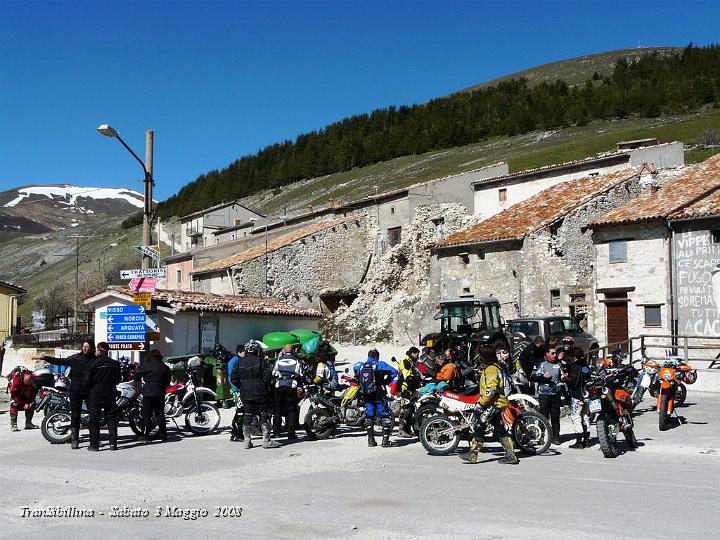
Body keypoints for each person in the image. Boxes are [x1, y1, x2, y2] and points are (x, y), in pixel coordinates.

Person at [459, 345, 518, 465]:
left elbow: (491, 389)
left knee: (479, 425)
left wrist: (481, 403)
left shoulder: (491, 369)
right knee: (500, 430)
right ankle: (511, 455)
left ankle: (473, 454)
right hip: (498, 403)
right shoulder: (495, 367)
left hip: (493, 404)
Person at [35, 340, 95, 448]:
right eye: (84, 346)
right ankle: (75, 440)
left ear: (92, 348)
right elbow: (60, 361)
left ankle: (94, 440)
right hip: (75, 390)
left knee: (93, 415)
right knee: (75, 414)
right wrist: (44, 357)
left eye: (88, 346)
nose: (85, 348)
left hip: (89, 390)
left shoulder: (94, 360)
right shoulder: (75, 358)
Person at [231, 340, 279, 449]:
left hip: (245, 392)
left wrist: (242, 386)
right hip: (260, 392)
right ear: (257, 350)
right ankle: (266, 440)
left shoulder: (239, 362)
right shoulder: (261, 360)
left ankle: (247, 441)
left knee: (247, 415)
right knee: (263, 415)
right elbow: (268, 375)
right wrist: (263, 384)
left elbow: (233, 378)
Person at [354, 349, 398, 447]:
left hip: (366, 394)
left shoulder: (361, 365)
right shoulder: (380, 364)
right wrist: (386, 381)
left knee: (369, 416)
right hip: (379, 393)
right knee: (384, 415)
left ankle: (371, 440)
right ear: (377, 356)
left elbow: (355, 373)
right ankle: (385, 441)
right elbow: (394, 372)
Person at [84, 342, 122, 451]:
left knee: (94, 419)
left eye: (96, 350)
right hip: (110, 392)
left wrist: (88, 388)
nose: (95, 351)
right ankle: (113, 444)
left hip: (96, 393)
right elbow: (119, 379)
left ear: (100, 351)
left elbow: (87, 380)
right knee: (111, 418)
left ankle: (94, 445)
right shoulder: (115, 364)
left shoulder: (93, 363)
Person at [133, 349, 171, 443]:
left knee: (147, 415)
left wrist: (139, 385)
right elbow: (167, 381)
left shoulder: (146, 366)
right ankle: (163, 435)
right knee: (160, 414)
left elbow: (136, 376)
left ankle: (146, 436)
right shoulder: (164, 367)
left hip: (148, 391)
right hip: (160, 391)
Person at [531, 346, 563, 445]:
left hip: (556, 393)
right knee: (543, 416)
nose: (554, 355)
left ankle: (556, 437)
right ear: (547, 354)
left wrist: (563, 377)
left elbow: (561, 375)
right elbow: (533, 376)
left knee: (555, 416)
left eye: (555, 353)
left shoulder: (558, 364)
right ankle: (541, 436)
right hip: (544, 394)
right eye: (552, 353)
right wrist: (543, 376)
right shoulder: (542, 364)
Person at [272, 344, 304, 440]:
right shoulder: (296, 360)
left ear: (284, 351)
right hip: (291, 386)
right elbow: (300, 373)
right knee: (291, 410)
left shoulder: (279, 360)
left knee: (277, 410)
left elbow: (274, 373)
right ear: (293, 351)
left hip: (279, 386)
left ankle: (276, 432)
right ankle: (291, 433)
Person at [564, 348, 591, 449]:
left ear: (574, 356)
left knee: (576, 417)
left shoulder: (575, 366)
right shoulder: (585, 365)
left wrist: (565, 379)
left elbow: (573, 382)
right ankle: (587, 441)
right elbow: (588, 376)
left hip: (577, 395)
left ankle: (579, 442)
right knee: (585, 417)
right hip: (586, 395)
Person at [397, 347, 421, 438]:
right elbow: (407, 376)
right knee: (405, 409)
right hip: (405, 389)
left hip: (410, 389)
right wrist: (417, 379)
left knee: (410, 409)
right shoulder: (406, 361)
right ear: (412, 353)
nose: (418, 356)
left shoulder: (411, 361)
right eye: (417, 354)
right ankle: (401, 430)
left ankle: (407, 429)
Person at [228, 345, 246, 442]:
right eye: (244, 352)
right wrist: (238, 389)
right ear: (239, 352)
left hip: (240, 390)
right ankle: (235, 434)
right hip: (236, 390)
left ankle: (238, 432)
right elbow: (232, 378)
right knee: (240, 412)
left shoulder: (239, 360)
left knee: (241, 411)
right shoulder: (234, 362)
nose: (245, 354)